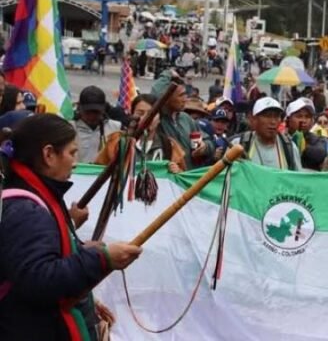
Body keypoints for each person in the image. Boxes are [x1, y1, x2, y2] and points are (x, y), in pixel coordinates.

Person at [0, 113, 142, 340]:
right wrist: (101, 258)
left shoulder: (33, 199)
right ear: (48, 154)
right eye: (71, 153)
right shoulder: (26, 210)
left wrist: (81, 249)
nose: (75, 162)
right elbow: (38, 279)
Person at [230, 97, 302, 170]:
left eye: (276, 116)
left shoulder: (289, 148)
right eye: (267, 116)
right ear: (254, 119)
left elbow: (298, 179)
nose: (273, 122)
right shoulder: (239, 145)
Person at [151, 71, 204, 170]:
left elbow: (206, 138)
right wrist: (168, 73)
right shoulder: (160, 119)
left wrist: (204, 147)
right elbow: (155, 93)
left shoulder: (186, 119)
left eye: (185, 95)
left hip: (188, 176)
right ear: (167, 98)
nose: (185, 99)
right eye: (181, 95)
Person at [73, 86, 122, 164]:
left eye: (96, 112)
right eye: (87, 112)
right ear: (79, 108)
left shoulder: (115, 128)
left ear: (104, 108)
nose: (92, 116)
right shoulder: (69, 128)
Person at [285, 98, 327, 171]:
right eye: (299, 116)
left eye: (307, 117)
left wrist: (303, 147)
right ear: (288, 119)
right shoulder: (280, 138)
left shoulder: (317, 139)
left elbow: (320, 154)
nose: (303, 121)